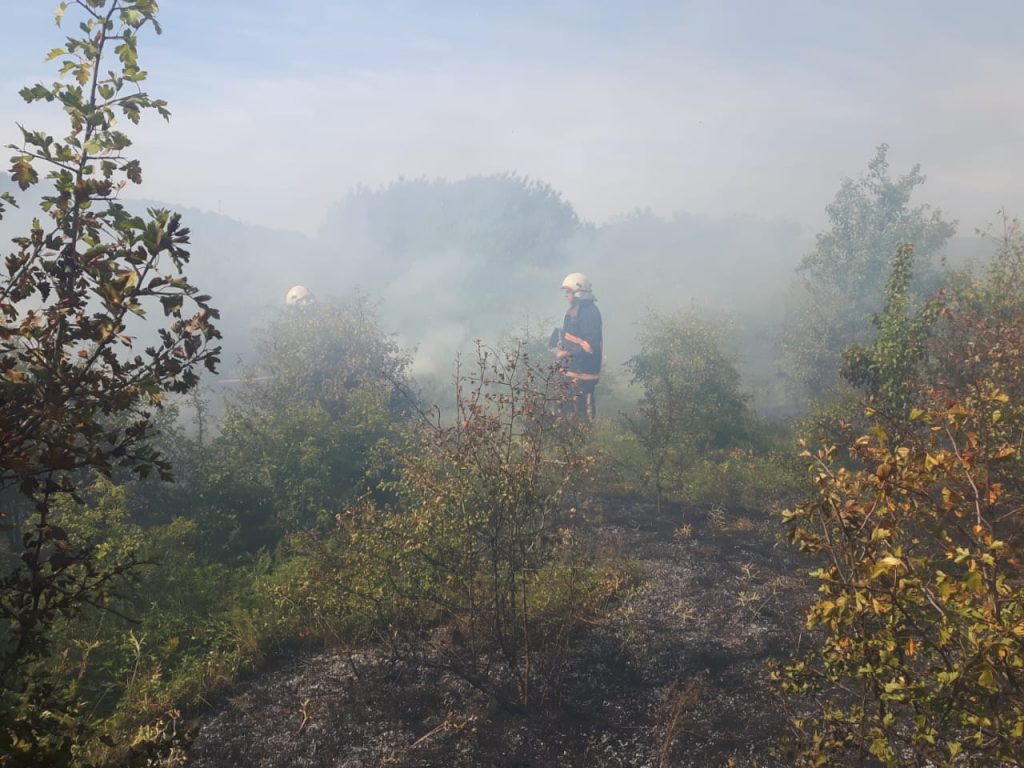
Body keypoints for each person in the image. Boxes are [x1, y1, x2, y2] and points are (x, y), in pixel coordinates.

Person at [555, 272, 602, 420]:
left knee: (581, 410)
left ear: (578, 292)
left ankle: (585, 437)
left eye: (568, 291)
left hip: (583, 371)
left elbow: (590, 346)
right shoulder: (577, 309)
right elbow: (574, 336)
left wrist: (567, 354)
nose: (566, 295)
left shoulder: (589, 313)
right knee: (568, 408)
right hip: (574, 369)